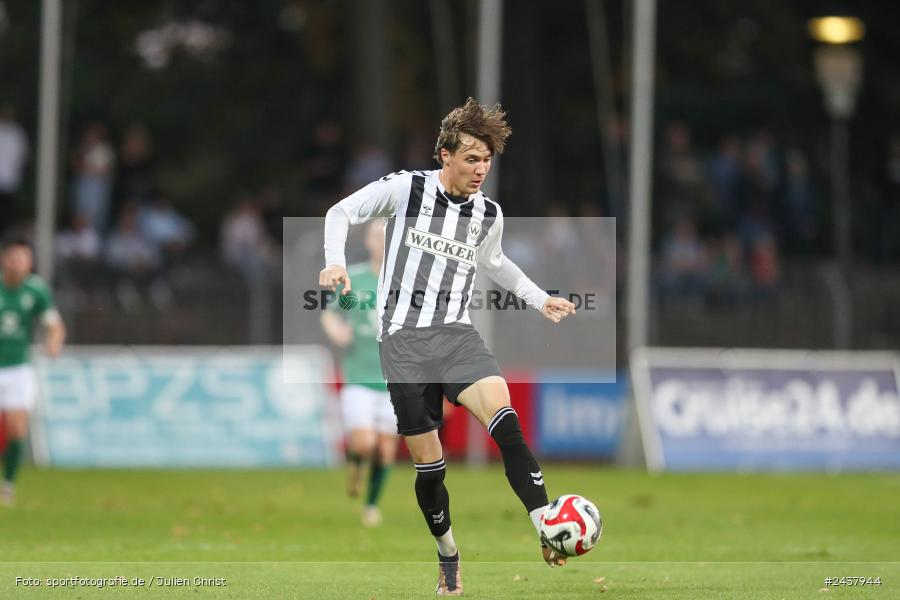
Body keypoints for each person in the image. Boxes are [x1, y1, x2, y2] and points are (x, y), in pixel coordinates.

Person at [319, 98, 576, 595]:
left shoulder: (488, 214)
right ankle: (448, 555)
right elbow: (340, 212)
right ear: (445, 155)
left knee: (507, 422)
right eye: (472, 159)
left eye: (487, 160)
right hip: (402, 345)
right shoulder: (405, 189)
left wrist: (540, 299)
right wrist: (335, 263)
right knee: (430, 469)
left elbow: (497, 263)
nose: (481, 170)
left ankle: (545, 523)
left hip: (457, 336)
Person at [320, 219, 398, 527]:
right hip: (359, 374)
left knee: (386, 450)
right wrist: (336, 329)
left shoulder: (405, 282)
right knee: (365, 443)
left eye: (385, 235)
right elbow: (329, 312)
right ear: (367, 241)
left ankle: (370, 505)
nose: (380, 240)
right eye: (375, 235)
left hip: (394, 380)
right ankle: (354, 462)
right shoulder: (356, 277)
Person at [0, 238, 66, 506]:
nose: (18, 264)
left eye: (24, 259)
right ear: (5, 259)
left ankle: (7, 485)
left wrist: (53, 342)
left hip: (19, 369)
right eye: (14, 258)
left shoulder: (36, 290)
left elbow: (54, 324)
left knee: (17, 428)